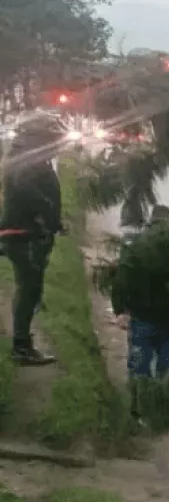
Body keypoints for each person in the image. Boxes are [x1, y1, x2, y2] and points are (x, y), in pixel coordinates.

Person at [0, 114, 68, 366]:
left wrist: (54, 222)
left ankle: (23, 341)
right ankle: (22, 348)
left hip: (24, 233)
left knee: (29, 289)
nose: (57, 144)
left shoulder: (26, 154)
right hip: (24, 235)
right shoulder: (29, 159)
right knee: (28, 290)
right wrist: (46, 208)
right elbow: (25, 189)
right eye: (54, 138)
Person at [110, 205, 169, 383]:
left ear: (150, 222)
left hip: (143, 319)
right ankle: (165, 407)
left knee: (139, 369)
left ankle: (139, 408)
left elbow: (122, 278)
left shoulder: (137, 244)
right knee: (168, 372)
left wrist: (120, 310)